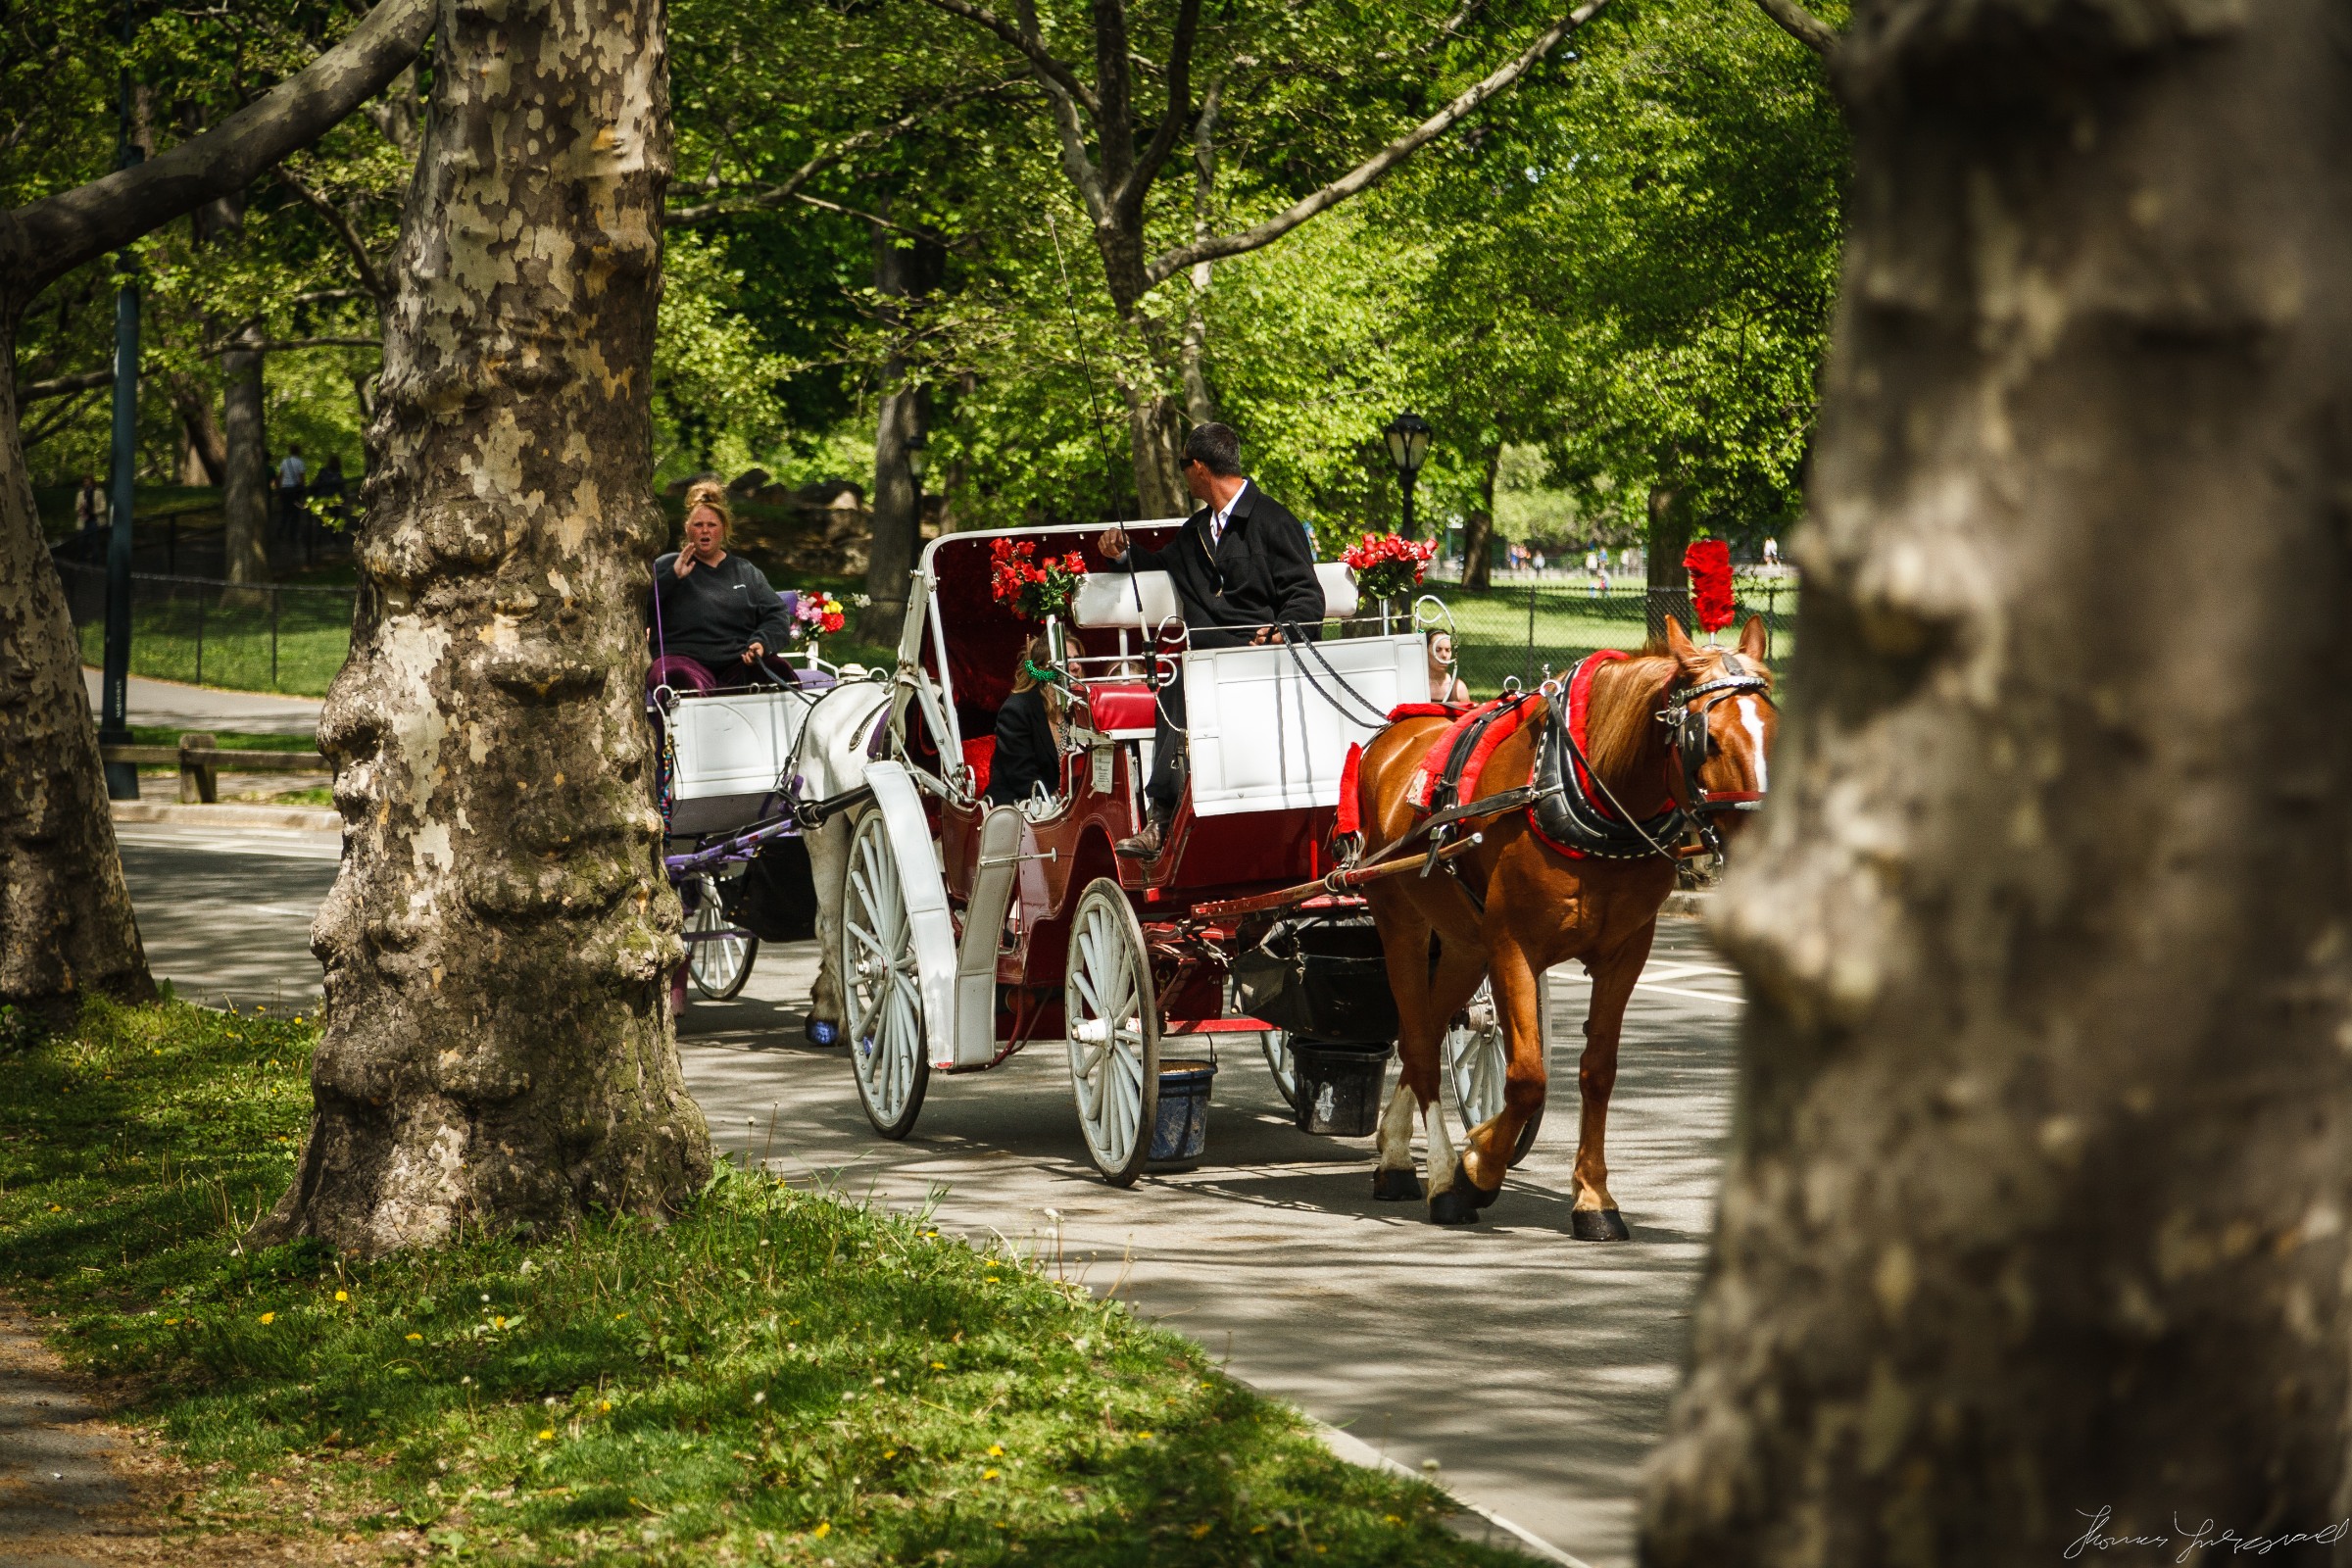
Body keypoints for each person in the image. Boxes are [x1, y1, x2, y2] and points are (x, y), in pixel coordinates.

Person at [1097, 421, 1322, 858]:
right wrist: (1121, 553)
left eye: (1184, 466)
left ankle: (1160, 816)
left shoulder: (1275, 522)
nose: (1183, 474)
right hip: (1206, 659)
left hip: (1262, 657)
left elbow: (1305, 594)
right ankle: (1164, 818)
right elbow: (1159, 566)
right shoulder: (1197, 530)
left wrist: (1282, 632)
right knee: (1181, 674)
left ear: (1199, 467)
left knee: (1181, 678)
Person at [652, 481, 799, 686]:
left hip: (737, 661)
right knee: (678, 677)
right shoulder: (667, 565)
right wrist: (673, 577)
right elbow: (643, 610)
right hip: (683, 658)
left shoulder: (745, 571)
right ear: (687, 529)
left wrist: (762, 642)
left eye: (712, 525)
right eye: (698, 525)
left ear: (723, 529)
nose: (705, 531)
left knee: (777, 670)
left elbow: (776, 613)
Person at [987, 633, 1076, 808]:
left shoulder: (1079, 710)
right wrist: (1058, 804)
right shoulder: (1017, 709)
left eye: (1077, 659)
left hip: (1067, 808)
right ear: (1043, 670)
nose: (1076, 666)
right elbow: (1021, 777)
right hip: (1020, 807)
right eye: (1067, 660)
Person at [1426, 629, 1471, 705]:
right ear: (1426, 651)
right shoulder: (1414, 686)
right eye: (1438, 650)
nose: (1444, 655)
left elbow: (1469, 716)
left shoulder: (1459, 689)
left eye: (1448, 650)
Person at [276, 445, 308, 535]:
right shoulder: (300, 462)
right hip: (295, 490)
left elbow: (281, 476)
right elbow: (302, 478)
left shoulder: (285, 461)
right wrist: (303, 490)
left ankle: (281, 530)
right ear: (298, 451)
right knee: (295, 513)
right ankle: (292, 533)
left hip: (285, 489)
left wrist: (279, 489)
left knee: (285, 511)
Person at [74, 474, 107, 547]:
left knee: (95, 544)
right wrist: (80, 509)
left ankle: (95, 557)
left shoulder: (99, 492)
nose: (86, 484)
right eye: (85, 482)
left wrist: (94, 511)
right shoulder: (80, 493)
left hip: (95, 521)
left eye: (88, 482)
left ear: (92, 482)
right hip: (83, 521)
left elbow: (103, 508)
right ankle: (83, 557)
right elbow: (76, 509)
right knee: (81, 544)